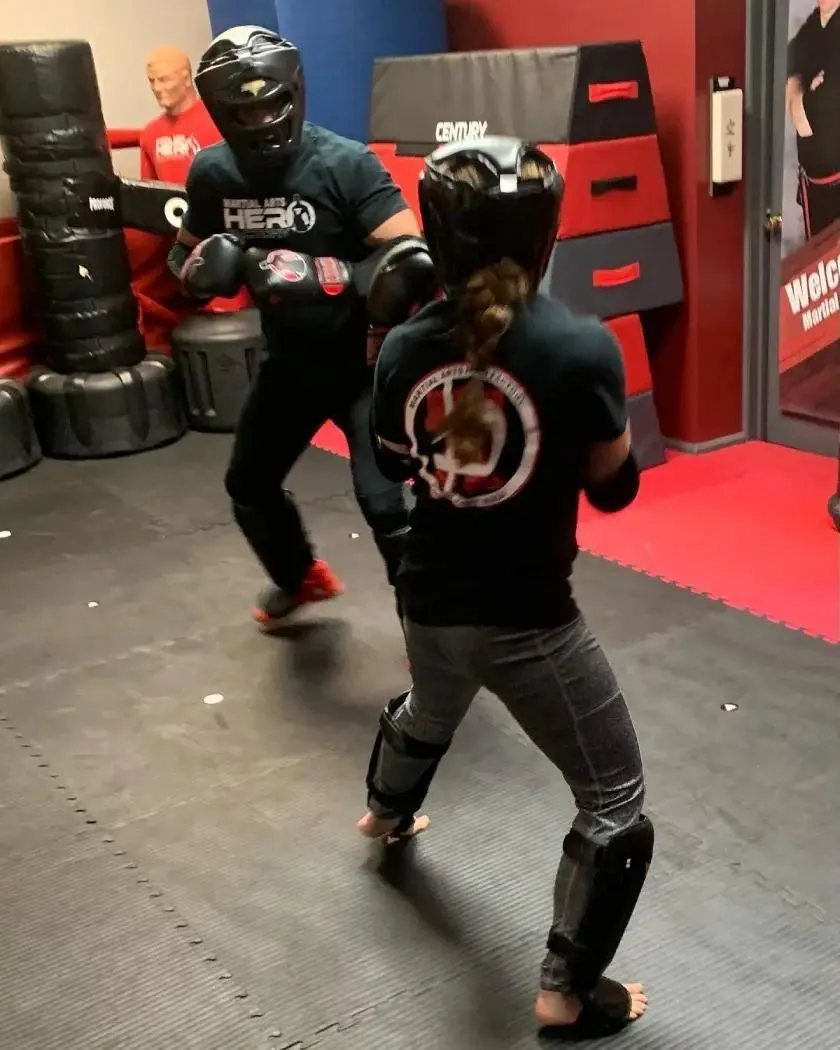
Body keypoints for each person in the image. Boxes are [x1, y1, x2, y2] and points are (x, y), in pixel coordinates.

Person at [358, 137, 653, 1034]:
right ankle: (565, 994)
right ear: (546, 236)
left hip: (428, 598)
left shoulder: (406, 346)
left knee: (429, 709)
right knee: (615, 802)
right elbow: (616, 488)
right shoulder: (579, 346)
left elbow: (389, 461)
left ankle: (383, 818)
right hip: (530, 623)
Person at [167, 26, 434, 629]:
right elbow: (181, 257)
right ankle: (299, 577)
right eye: (247, 108)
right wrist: (202, 273)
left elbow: (414, 262)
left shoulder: (346, 164)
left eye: (272, 101)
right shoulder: (212, 174)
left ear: (294, 93)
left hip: (366, 365)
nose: (263, 118)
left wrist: (322, 274)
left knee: (386, 505)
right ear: (222, 113)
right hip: (291, 364)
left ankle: (434, 633)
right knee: (249, 484)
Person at [787, 0, 840, 238]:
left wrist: (798, 93)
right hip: (814, 191)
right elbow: (785, 68)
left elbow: (806, 120)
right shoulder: (814, 25)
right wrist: (800, 88)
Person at [140, 46, 221, 184]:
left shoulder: (219, 120)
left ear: (186, 79)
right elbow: (149, 195)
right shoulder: (150, 134)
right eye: (152, 81)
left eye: (164, 79)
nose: (157, 88)